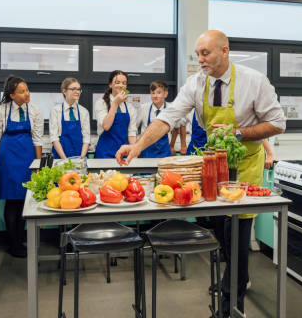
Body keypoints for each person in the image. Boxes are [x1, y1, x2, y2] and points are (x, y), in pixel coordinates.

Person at [116, 30, 286, 316]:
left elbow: (278, 123)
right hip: (213, 164)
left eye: (205, 53)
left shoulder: (253, 81)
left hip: (244, 165)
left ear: (225, 51)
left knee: (238, 233)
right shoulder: (196, 83)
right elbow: (167, 119)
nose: (200, 59)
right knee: (221, 230)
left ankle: (232, 305)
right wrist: (137, 147)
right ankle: (232, 280)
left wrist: (238, 132)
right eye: (197, 54)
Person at [0, 75, 43, 257]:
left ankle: (20, 240)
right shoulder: (1, 111)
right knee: (11, 201)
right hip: (7, 159)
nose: (27, 93)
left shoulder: (35, 110)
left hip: (27, 158)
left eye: (27, 90)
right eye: (22, 91)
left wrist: (38, 166)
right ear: (12, 95)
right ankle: (13, 244)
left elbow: (38, 139)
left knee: (25, 200)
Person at [94, 70, 138, 158]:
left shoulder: (130, 108)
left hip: (124, 154)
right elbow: (106, 126)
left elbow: (131, 133)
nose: (121, 85)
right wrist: (115, 103)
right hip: (105, 153)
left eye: (124, 83)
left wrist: (134, 153)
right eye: (117, 82)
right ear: (110, 85)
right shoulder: (101, 103)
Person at [50, 78, 90, 159]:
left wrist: (81, 158)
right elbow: (54, 138)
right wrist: (64, 160)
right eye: (73, 89)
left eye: (79, 89)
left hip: (79, 156)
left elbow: (86, 138)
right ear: (64, 91)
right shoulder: (56, 111)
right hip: (60, 156)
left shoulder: (84, 111)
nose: (77, 92)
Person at [139, 81, 172, 158]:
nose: (155, 96)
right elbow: (134, 128)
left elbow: (178, 127)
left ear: (165, 94)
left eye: (158, 93)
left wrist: (172, 144)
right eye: (153, 93)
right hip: (146, 151)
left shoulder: (171, 109)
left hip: (164, 151)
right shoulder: (143, 108)